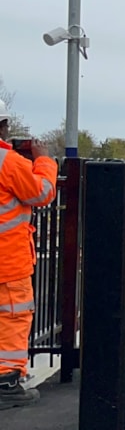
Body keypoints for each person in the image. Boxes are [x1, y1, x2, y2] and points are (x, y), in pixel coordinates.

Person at [0, 101, 57, 409]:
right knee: (12, 317)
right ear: (4, 126)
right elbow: (42, 193)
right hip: (7, 261)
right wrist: (43, 161)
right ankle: (6, 382)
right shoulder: (7, 162)